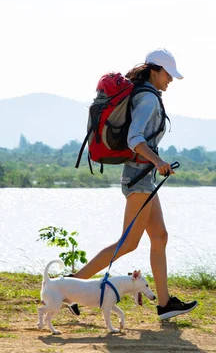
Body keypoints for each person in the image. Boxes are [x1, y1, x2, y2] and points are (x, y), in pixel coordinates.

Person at [71, 48, 198, 320]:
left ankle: (164, 304)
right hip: (138, 177)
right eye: (167, 74)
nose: (171, 80)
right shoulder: (148, 99)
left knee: (160, 237)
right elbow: (134, 139)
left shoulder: (144, 94)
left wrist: (154, 164)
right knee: (128, 243)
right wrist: (157, 160)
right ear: (154, 70)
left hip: (143, 177)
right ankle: (72, 287)